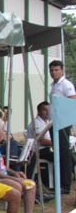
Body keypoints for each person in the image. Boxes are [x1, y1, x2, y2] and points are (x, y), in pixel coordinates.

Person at [48, 60, 75, 195]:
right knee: (57, 153)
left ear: (62, 70)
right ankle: (59, 182)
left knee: (64, 153)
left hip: (62, 123)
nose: (54, 73)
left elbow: (72, 101)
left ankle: (65, 184)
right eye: (52, 70)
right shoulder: (54, 85)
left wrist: (63, 118)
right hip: (53, 123)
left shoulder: (66, 85)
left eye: (56, 70)